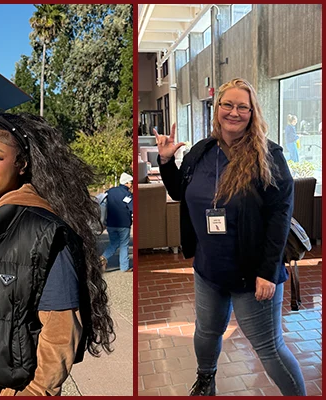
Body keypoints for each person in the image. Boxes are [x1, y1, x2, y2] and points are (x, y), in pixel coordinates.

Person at [0, 113, 115, 396]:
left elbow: (61, 331)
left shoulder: (44, 231)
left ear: (21, 164)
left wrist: (35, 392)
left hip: (4, 389)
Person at [154, 78, 305, 396]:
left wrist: (268, 271)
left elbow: (280, 216)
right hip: (209, 268)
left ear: (252, 113)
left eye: (242, 107)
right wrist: (166, 161)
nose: (234, 112)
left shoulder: (268, 155)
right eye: (228, 105)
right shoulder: (201, 151)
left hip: (253, 273)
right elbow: (179, 191)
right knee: (206, 332)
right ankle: (206, 379)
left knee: (270, 348)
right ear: (217, 108)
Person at [100, 172, 133, 272]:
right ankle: (124, 267)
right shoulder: (127, 194)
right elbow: (132, 208)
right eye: (130, 182)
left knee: (114, 243)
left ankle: (104, 257)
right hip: (123, 223)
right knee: (124, 245)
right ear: (126, 183)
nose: (131, 184)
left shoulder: (110, 192)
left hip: (110, 223)